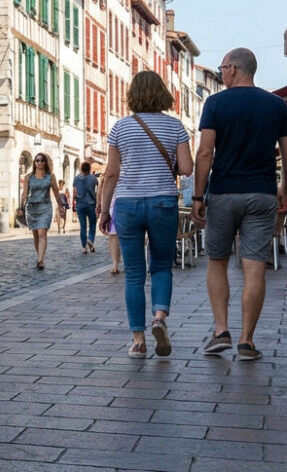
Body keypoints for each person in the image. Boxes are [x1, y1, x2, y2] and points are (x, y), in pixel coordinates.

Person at [191, 48, 287, 362]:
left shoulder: (215, 103)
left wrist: (198, 197)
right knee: (254, 267)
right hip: (262, 193)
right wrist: (284, 190)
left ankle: (221, 330)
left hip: (224, 192)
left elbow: (205, 154)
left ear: (234, 68)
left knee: (217, 261)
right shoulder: (276, 104)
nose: (221, 73)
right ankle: (247, 341)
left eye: (223, 68)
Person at [96, 71, 193, 359]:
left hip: (127, 204)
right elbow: (187, 168)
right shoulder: (175, 127)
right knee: (162, 265)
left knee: (134, 275)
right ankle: (159, 318)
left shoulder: (120, 128)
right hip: (163, 201)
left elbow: (111, 173)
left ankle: (138, 341)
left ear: (132, 94)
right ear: (162, 93)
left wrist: (103, 210)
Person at [20, 153, 63, 271]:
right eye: (37, 160)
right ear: (34, 162)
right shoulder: (29, 176)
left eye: (42, 160)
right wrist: (21, 207)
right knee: (36, 236)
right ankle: (39, 255)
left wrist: (60, 206)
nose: (39, 163)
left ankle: (40, 260)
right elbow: (25, 193)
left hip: (45, 208)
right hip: (32, 208)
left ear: (46, 162)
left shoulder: (50, 177)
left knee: (42, 233)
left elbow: (56, 193)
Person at [73, 162, 98, 253]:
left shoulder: (76, 179)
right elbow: (96, 191)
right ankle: (90, 240)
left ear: (81, 169)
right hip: (91, 204)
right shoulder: (93, 179)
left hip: (80, 204)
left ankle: (84, 247)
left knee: (83, 226)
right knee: (92, 224)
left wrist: (74, 203)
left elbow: (74, 191)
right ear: (89, 169)